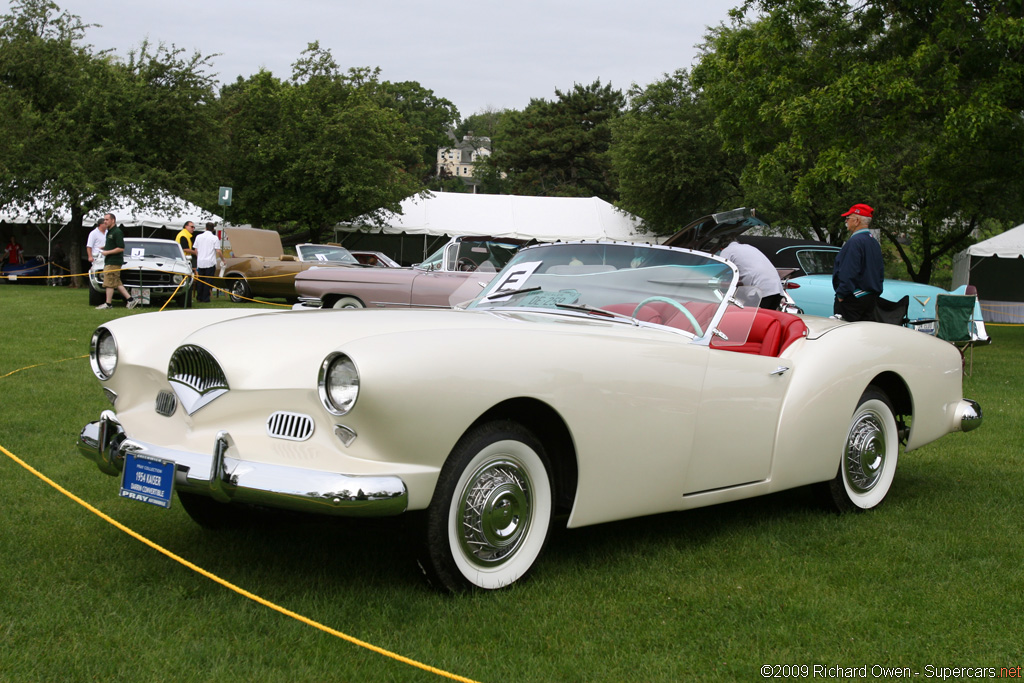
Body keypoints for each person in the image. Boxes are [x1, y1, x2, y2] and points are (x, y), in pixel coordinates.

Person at [832, 203, 884, 322]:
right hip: (870, 298)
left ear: (856, 221)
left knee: (846, 334)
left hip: (853, 299)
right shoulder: (874, 242)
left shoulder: (855, 242)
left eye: (848, 218)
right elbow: (879, 271)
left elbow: (849, 271)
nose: (846, 221)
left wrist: (841, 295)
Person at [719, 240, 785, 310]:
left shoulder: (727, 251)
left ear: (721, 248)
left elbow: (720, 269)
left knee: (749, 316)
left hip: (761, 290)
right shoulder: (749, 247)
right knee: (766, 317)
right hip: (777, 288)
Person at [95, 213, 139, 310]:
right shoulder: (109, 232)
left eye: (107, 220)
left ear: (113, 220)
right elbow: (112, 245)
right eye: (104, 220)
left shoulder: (117, 232)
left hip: (114, 261)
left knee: (109, 282)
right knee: (117, 282)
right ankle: (131, 300)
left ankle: (108, 304)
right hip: (109, 260)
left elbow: (121, 248)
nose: (105, 222)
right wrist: (103, 248)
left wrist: (107, 252)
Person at [193, 222, 222, 303]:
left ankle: (199, 297)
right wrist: (223, 259)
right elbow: (218, 251)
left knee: (200, 280)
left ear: (205, 228)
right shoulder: (214, 238)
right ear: (213, 229)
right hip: (210, 262)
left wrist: (199, 257)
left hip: (201, 262)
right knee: (208, 281)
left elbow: (196, 250)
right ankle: (205, 298)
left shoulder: (198, 237)